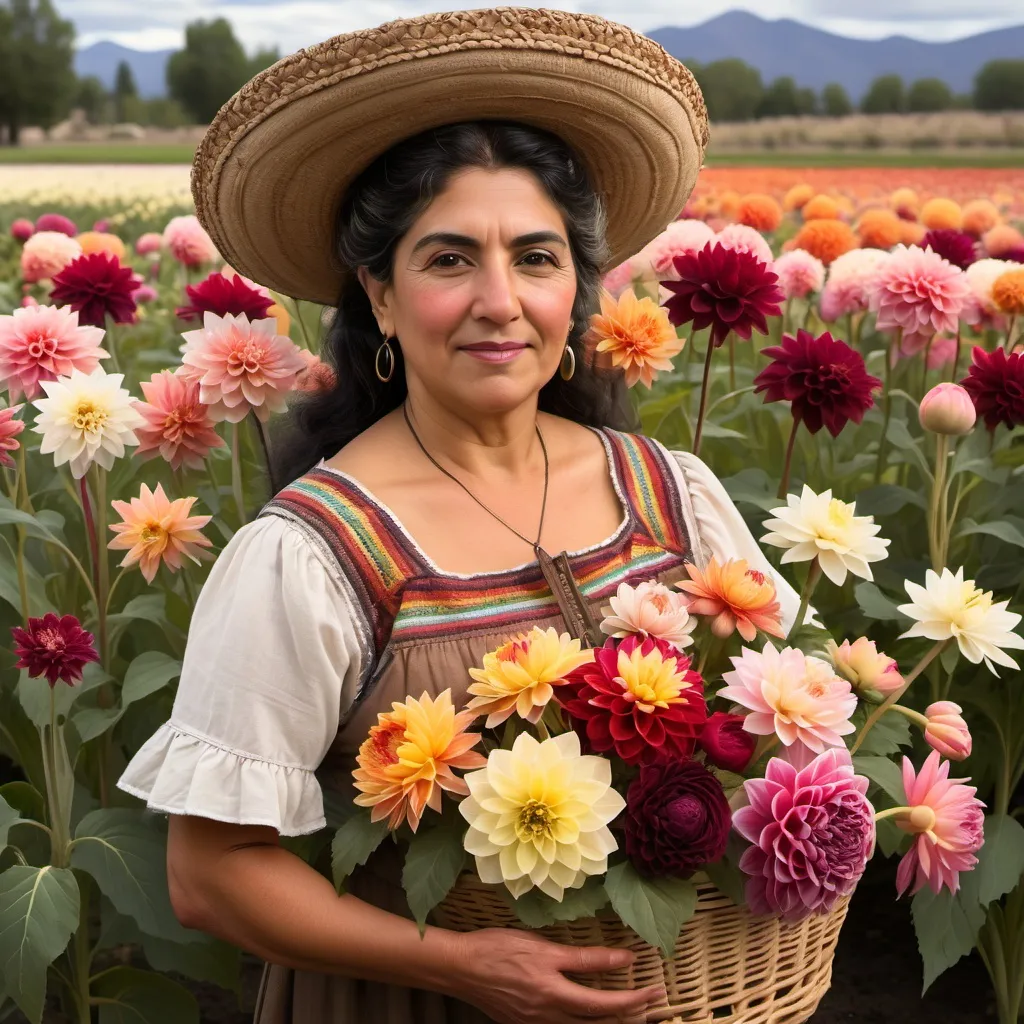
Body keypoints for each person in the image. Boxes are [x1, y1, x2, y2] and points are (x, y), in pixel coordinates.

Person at [117, 9, 803, 1023]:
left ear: (576, 284)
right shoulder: (311, 555)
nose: (500, 299)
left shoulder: (671, 492)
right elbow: (208, 874)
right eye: (447, 260)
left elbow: (793, 716)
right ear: (379, 296)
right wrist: (461, 964)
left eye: (535, 256)